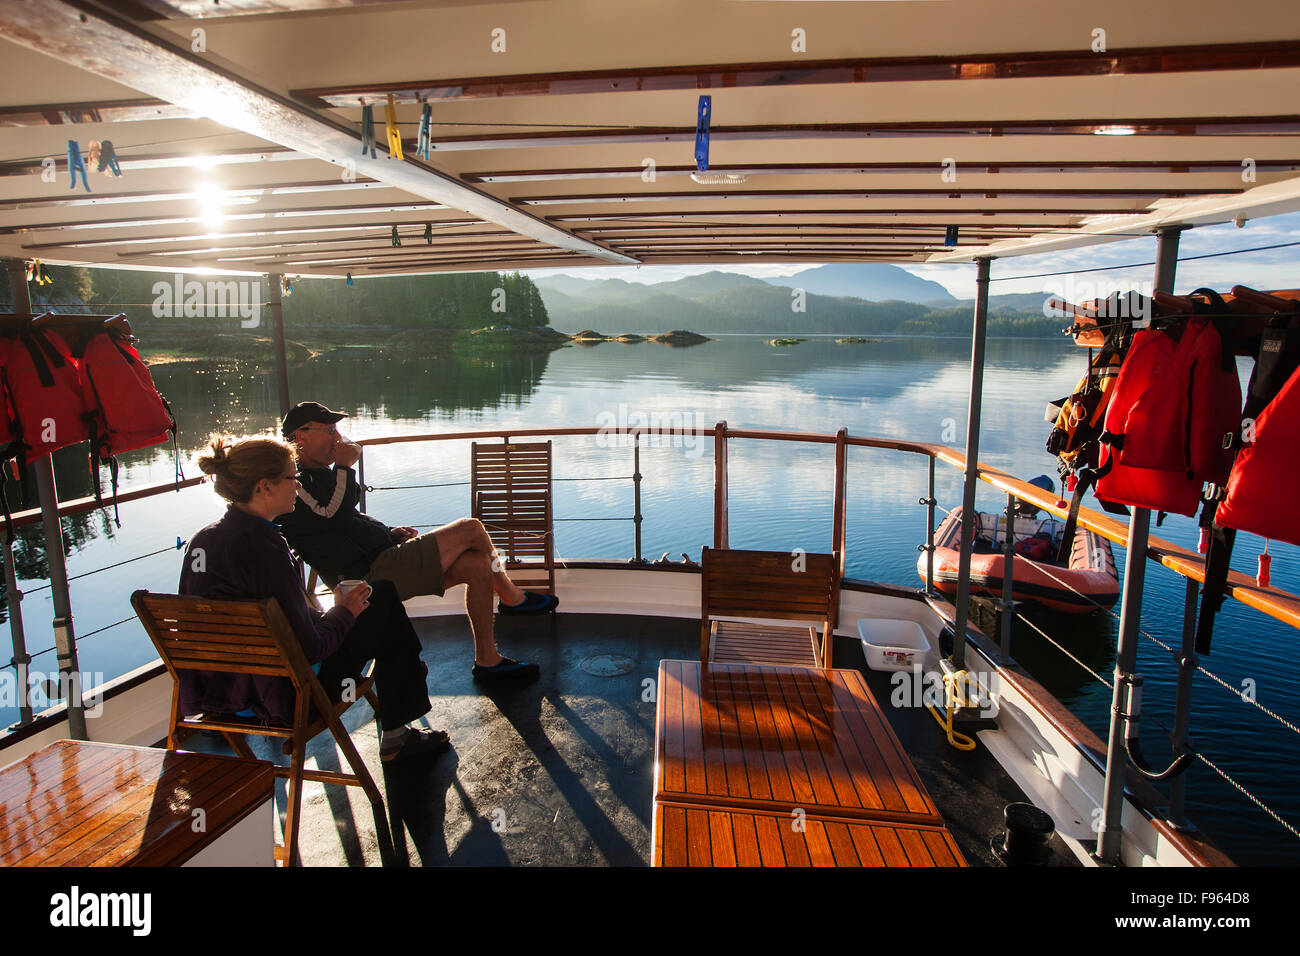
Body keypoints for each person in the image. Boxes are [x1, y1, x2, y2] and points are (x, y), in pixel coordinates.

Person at [179, 434, 447, 762]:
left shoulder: (202, 542)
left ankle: (405, 679)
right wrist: (343, 611)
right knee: (383, 599)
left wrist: (332, 613)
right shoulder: (267, 551)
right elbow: (311, 649)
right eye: (293, 478)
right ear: (264, 486)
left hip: (223, 696)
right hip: (288, 699)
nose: (298, 487)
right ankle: (398, 726)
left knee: (377, 607)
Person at [276, 402, 556, 681]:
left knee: (478, 564)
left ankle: (487, 660)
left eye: (336, 429)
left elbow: (348, 521)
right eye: (329, 430)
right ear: (301, 436)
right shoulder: (296, 484)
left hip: (381, 557)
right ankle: (512, 598)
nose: (337, 437)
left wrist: (388, 532)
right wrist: (345, 467)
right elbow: (332, 521)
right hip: (366, 577)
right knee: (470, 529)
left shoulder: (320, 475)